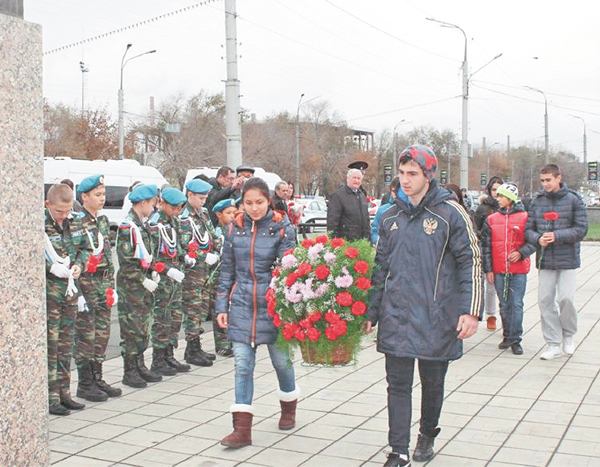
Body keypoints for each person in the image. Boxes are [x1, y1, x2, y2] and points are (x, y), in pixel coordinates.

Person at [366, 145, 482, 466]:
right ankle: (398, 451)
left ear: (428, 176)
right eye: (401, 174)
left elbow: (470, 260)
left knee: (432, 383)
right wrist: (371, 311)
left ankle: (427, 434)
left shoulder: (450, 214)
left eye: (412, 174)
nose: (405, 180)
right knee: (397, 386)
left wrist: (470, 310)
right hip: (397, 315)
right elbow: (380, 268)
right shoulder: (390, 216)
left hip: (437, 316)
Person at [216, 177, 299, 449]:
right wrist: (221, 307)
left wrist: (288, 306)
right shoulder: (233, 230)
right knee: (242, 366)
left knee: (281, 363)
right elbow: (226, 270)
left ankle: (288, 407)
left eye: (259, 202)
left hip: (272, 307)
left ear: (268, 200)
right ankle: (241, 430)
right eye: (248, 203)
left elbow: (290, 271)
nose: (254, 208)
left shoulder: (282, 228)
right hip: (241, 306)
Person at [525, 164, 588, 360]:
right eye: (542, 180)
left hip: (567, 258)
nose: (545, 184)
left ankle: (568, 335)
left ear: (558, 178)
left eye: (549, 180)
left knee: (565, 299)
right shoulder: (537, 201)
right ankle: (553, 343)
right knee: (545, 301)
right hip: (545, 259)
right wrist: (538, 239)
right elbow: (529, 229)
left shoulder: (573, 200)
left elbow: (581, 229)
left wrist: (557, 235)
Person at [74, 175, 122, 402]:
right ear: (84, 197)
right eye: (97, 195)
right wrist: (78, 292)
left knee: (102, 334)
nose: (102, 199)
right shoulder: (76, 222)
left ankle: (97, 377)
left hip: (102, 284)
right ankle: (85, 383)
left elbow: (108, 257)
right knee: (86, 335)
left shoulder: (102, 221)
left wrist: (111, 286)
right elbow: (74, 256)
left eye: (103, 194)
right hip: (86, 283)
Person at [116, 183, 163, 388]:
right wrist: (142, 279)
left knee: (143, 327)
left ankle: (140, 364)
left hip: (142, 287)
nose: (154, 208)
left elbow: (146, 255)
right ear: (143, 203)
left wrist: (152, 271)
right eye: (152, 204)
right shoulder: (128, 227)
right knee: (131, 329)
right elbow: (126, 262)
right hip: (131, 287)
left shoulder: (141, 224)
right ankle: (130, 370)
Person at [44, 183, 85, 415]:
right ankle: (50, 397)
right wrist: (50, 267)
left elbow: (84, 248)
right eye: (59, 212)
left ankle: (65, 393)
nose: (64, 216)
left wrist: (79, 264)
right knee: (52, 345)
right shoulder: (38, 223)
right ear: (48, 204)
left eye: (67, 211)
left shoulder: (76, 221)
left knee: (66, 343)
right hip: (50, 295)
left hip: (70, 293)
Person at [481, 183, 536, 355]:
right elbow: (486, 246)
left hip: (518, 269)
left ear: (510, 199)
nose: (498, 199)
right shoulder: (491, 219)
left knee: (516, 303)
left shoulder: (525, 217)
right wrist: (488, 269)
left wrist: (521, 253)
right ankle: (507, 335)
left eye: (501, 196)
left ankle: (515, 338)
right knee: (504, 304)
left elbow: (533, 241)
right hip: (499, 269)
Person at [148, 187, 190, 375]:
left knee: (175, 318)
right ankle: (158, 359)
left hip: (176, 278)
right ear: (162, 203)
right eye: (174, 207)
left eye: (180, 207)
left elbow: (179, 246)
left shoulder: (175, 222)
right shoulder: (155, 224)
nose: (177, 211)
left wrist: (185, 257)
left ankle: (169, 354)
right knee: (162, 319)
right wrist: (167, 270)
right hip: (164, 279)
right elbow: (150, 256)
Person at [179, 179, 219, 367]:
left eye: (205, 198)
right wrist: (204, 257)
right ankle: (191, 348)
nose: (204, 201)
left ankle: (196, 345)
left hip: (205, 272)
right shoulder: (184, 217)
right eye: (201, 198)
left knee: (202, 307)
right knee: (193, 309)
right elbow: (185, 244)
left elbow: (210, 236)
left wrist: (219, 248)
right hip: (192, 271)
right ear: (190, 195)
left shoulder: (202, 213)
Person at [474, 176, 504, 331]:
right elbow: (475, 228)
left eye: (499, 190)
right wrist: (484, 234)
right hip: (487, 249)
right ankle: (491, 315)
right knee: (490, 284)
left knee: (504, 286)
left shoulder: (507, 207)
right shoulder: (483, 208)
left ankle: (505, 315)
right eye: (494, 190)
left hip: (503, 249)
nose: (496, 194)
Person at [326, 168, 371, 241]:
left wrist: (369, 238)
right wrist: (333, 239)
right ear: (348, 179)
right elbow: (332, 221)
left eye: (359, 178)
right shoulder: (337, 195)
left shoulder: (362, 195)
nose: (356, 181)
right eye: (354, 178)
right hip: (345, 241)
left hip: (362, 241)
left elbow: (366, 219)